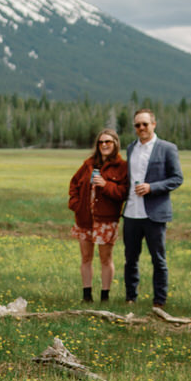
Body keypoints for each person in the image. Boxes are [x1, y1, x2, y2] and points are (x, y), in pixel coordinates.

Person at [121, 109, 182, 310]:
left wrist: (151, 187)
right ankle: (130, 297)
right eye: (137, 125)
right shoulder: (131, 149)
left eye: (145, 124)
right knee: (130, 258)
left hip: (154, 213)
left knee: (158, 259)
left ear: (154, 124)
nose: (141, 128)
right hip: (131, 212)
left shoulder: (167, 148)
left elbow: (177, 178)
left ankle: (159, 301)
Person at [67, 129, 130, 302]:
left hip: (106, 220)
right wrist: (75, 204)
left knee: (105, 259)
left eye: (108, 142)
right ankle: (86, 295)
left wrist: (106, 184)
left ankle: (105, 296)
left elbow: (123, 192)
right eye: (101, 142)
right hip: (85, 219)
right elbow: (74, 184)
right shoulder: (88, 164)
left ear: (115, 144)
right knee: (86, 257)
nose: (104, 145)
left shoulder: (122, 167)